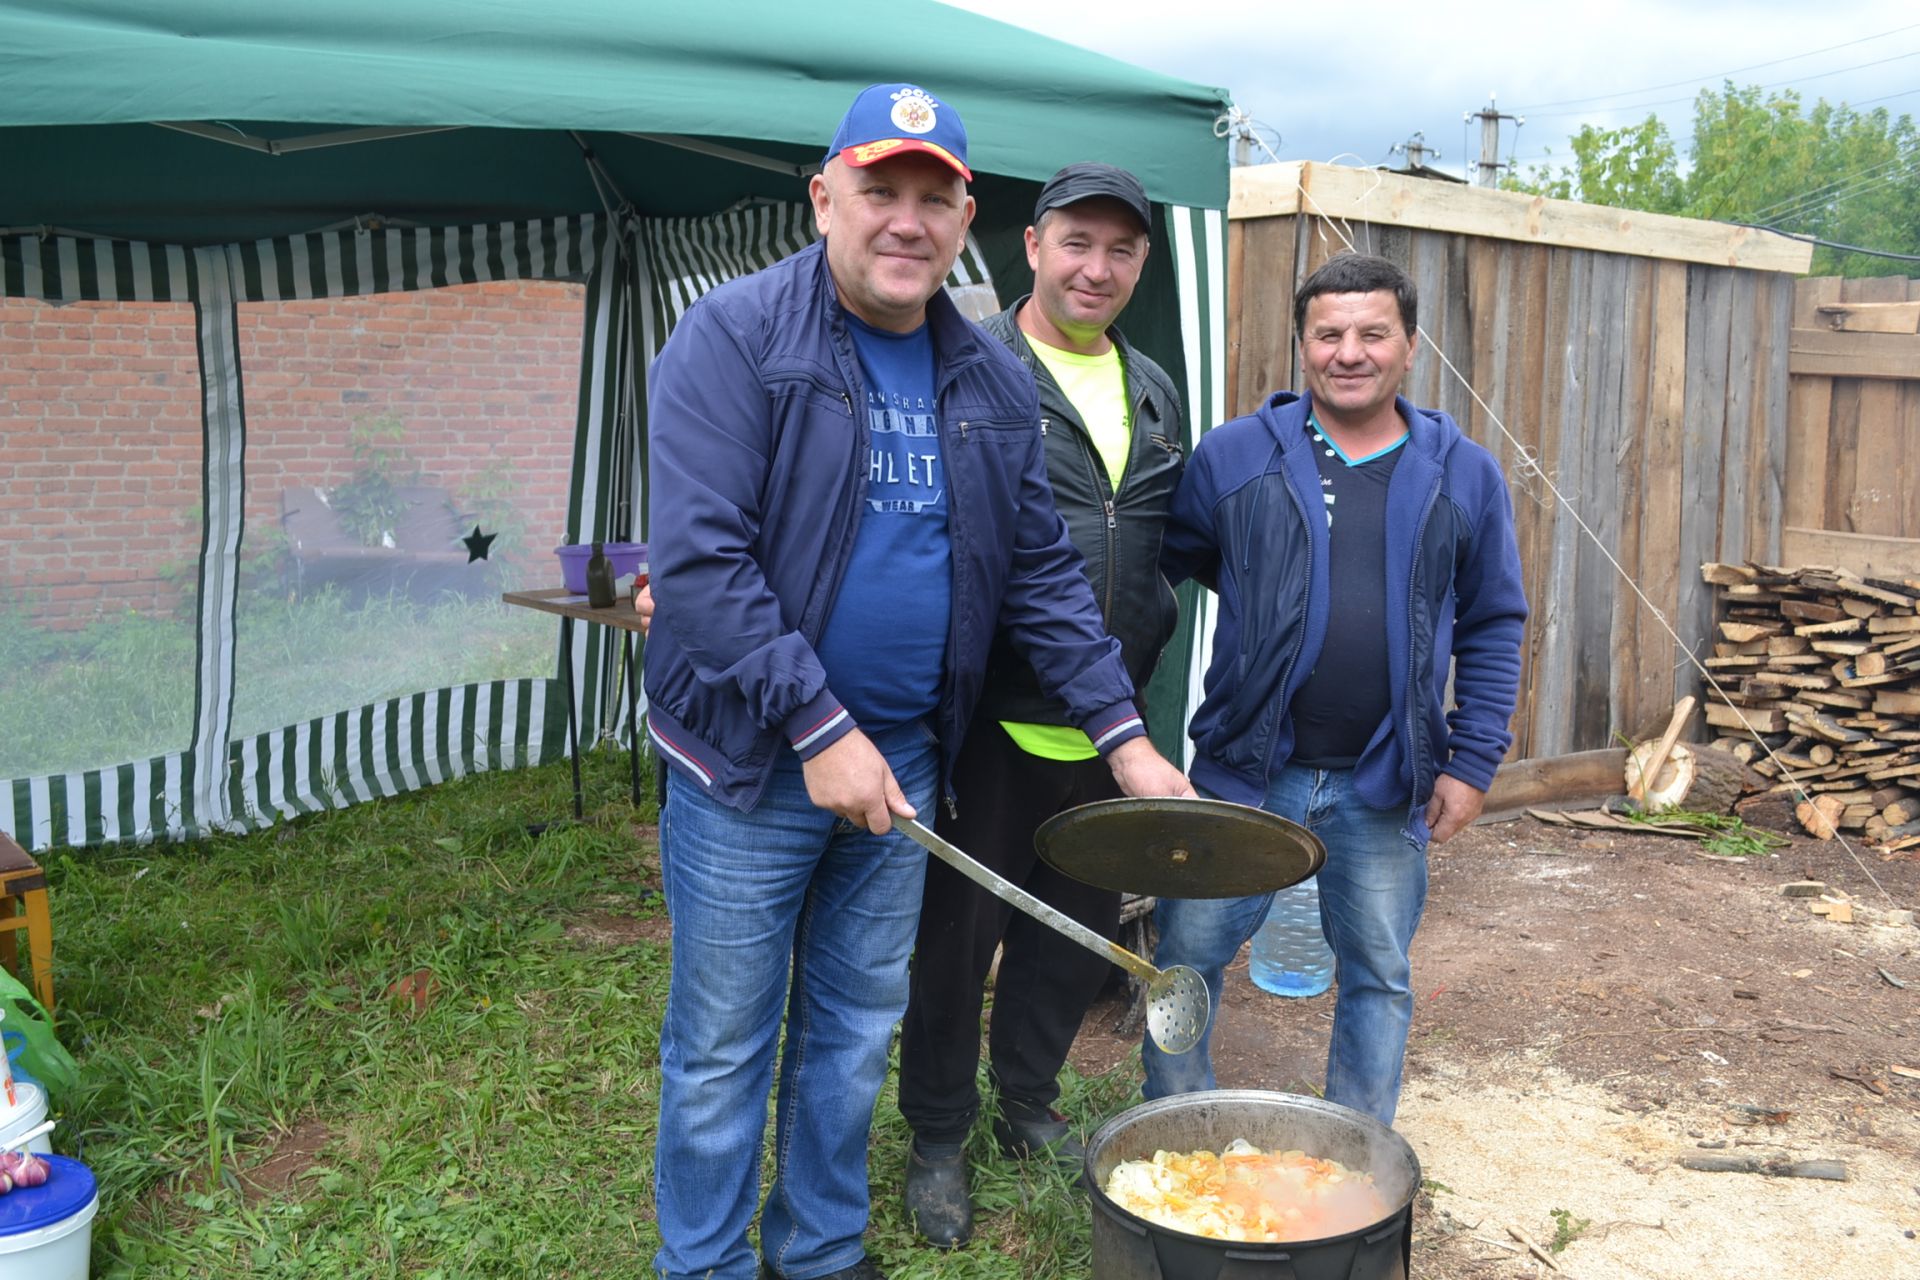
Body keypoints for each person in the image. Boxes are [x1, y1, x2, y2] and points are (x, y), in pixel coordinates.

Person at [639, 84, 1191, 1280]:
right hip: (750, 759)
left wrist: (1126, 735)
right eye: (879, 190)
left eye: (933, 198)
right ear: (824, 194)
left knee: (849, 1030)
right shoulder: (735, 337)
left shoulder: (985, 378)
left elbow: (1041, 570)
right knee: (727, 1042)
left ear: (967, 218)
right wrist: (815, 722)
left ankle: (821, 1248)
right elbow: (698, 560)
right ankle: (707, 1262)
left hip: (906, 757)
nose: (906, 221)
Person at [1146, 253, 1527, 1126]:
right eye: (1328, 334)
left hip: (1384, 783)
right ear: (1303, 345)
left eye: (1371, 333)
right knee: (1188, 952)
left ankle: (1355, 1149)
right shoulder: (1234, 458)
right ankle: (1167, 1124)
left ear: (1410, 345)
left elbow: (1494, 619)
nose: (1348, 352)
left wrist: (1472, 762)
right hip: (1247, 773)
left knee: (1379, 974)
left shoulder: (1462, 473)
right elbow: (1161, 575)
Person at [895, 163, 1186, 1247]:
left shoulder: (1154, 386)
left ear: (1140, 264)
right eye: (1077, 243)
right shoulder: (970, 369)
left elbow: (1157, 538)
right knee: (956, 940)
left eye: (1120, 250)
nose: (1096, 267)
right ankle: (936, 1131)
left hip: (1113, 730)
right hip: (992, 723)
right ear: (1030, 245)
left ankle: (1026, 1103)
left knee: (1072, 937)